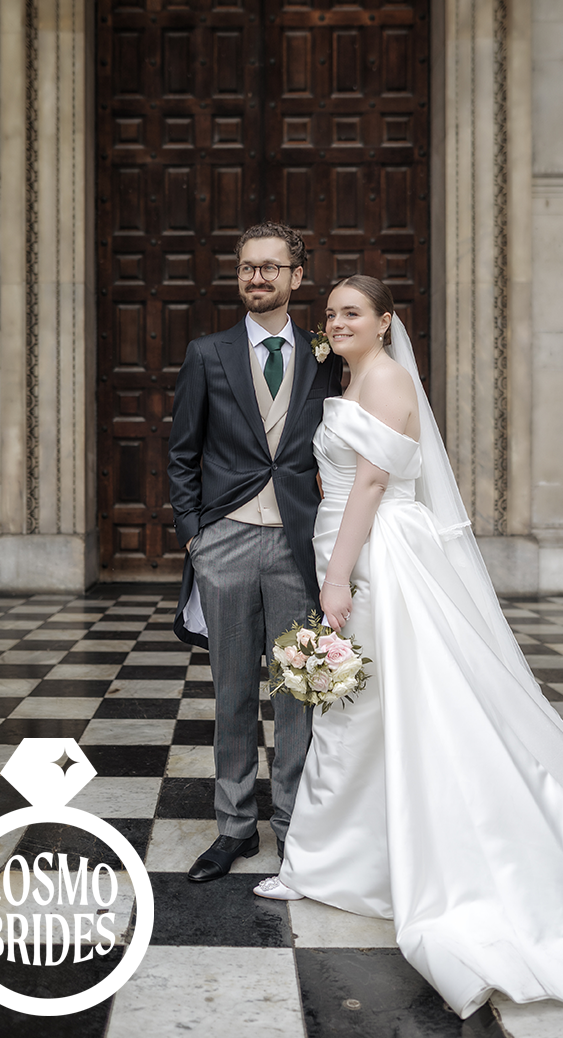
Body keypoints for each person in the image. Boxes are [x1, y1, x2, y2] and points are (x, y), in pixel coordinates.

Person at [254, 274, 563, 1018]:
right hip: (357, 545)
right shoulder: (356, 376)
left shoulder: (389, 379)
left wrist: (336, 578)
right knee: (362, 704)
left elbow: (371, 484)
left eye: (352, 313)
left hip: (375, 554)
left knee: (368, 702)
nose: (336, 322)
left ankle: (333, 862)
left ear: (384, 321)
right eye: (331, 312)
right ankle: (339, 857)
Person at [168, 222, 342, 882]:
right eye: (247, 268)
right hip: (227, 542)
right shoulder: (207, 354)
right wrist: (196, 533)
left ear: (297, 278)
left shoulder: (328, 357)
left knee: (300, 691)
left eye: (271, 268)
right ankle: (234, 826)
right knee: (234, 692)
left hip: (300, 546)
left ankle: (295, 823)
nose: (257, 278)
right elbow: (183, 451)